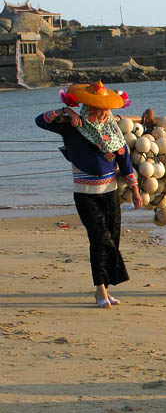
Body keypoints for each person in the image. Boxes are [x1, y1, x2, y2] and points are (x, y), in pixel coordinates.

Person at [35, 81, 142, 308]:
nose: (102, 114)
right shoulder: (72, 126)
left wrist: (134, 190)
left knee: (112, 238)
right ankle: (102, 289)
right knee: (99, 239)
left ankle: (102, 289)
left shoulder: (113, 131)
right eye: (97, 109)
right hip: (85, 194)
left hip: (110, 192)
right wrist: (65, 111)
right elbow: (40, 121)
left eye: (105, 109)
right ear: (88, 107)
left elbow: (124, 162)